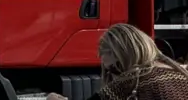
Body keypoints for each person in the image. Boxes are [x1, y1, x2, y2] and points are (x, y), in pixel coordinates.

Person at [47, 23, 188, 100]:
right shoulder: (179, 73)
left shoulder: (136, 78)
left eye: (114, 69)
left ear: (123, 54)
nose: (114, 77)